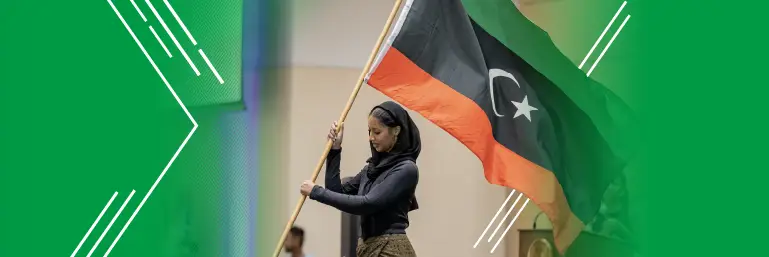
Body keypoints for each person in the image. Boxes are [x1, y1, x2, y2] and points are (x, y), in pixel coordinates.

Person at [299, 101, 421, 257]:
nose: (371, 138)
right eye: (369, 131)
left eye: (377, 132)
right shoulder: (371, 169)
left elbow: (367, 203)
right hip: (367, 248)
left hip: (391, 250)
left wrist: (316, 192)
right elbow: (336, 192)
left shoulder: (406, 169)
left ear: (396, 131)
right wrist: (335, 150)